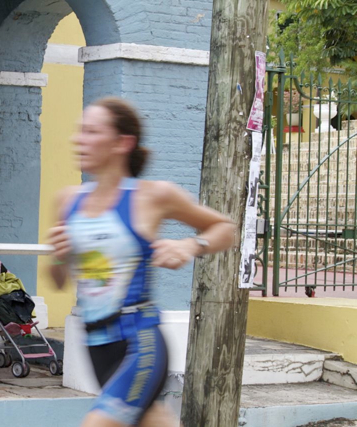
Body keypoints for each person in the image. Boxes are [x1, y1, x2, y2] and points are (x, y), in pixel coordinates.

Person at [47, 98, 235, 427]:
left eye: (92, 131)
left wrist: (190, 245)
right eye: (80, 131)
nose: (79, 139)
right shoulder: (67, 201)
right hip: (97, 345)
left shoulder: (152, 195)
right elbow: (59, 280)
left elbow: (225, 228)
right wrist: (60, 256)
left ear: (123, 143)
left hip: (140, 342)